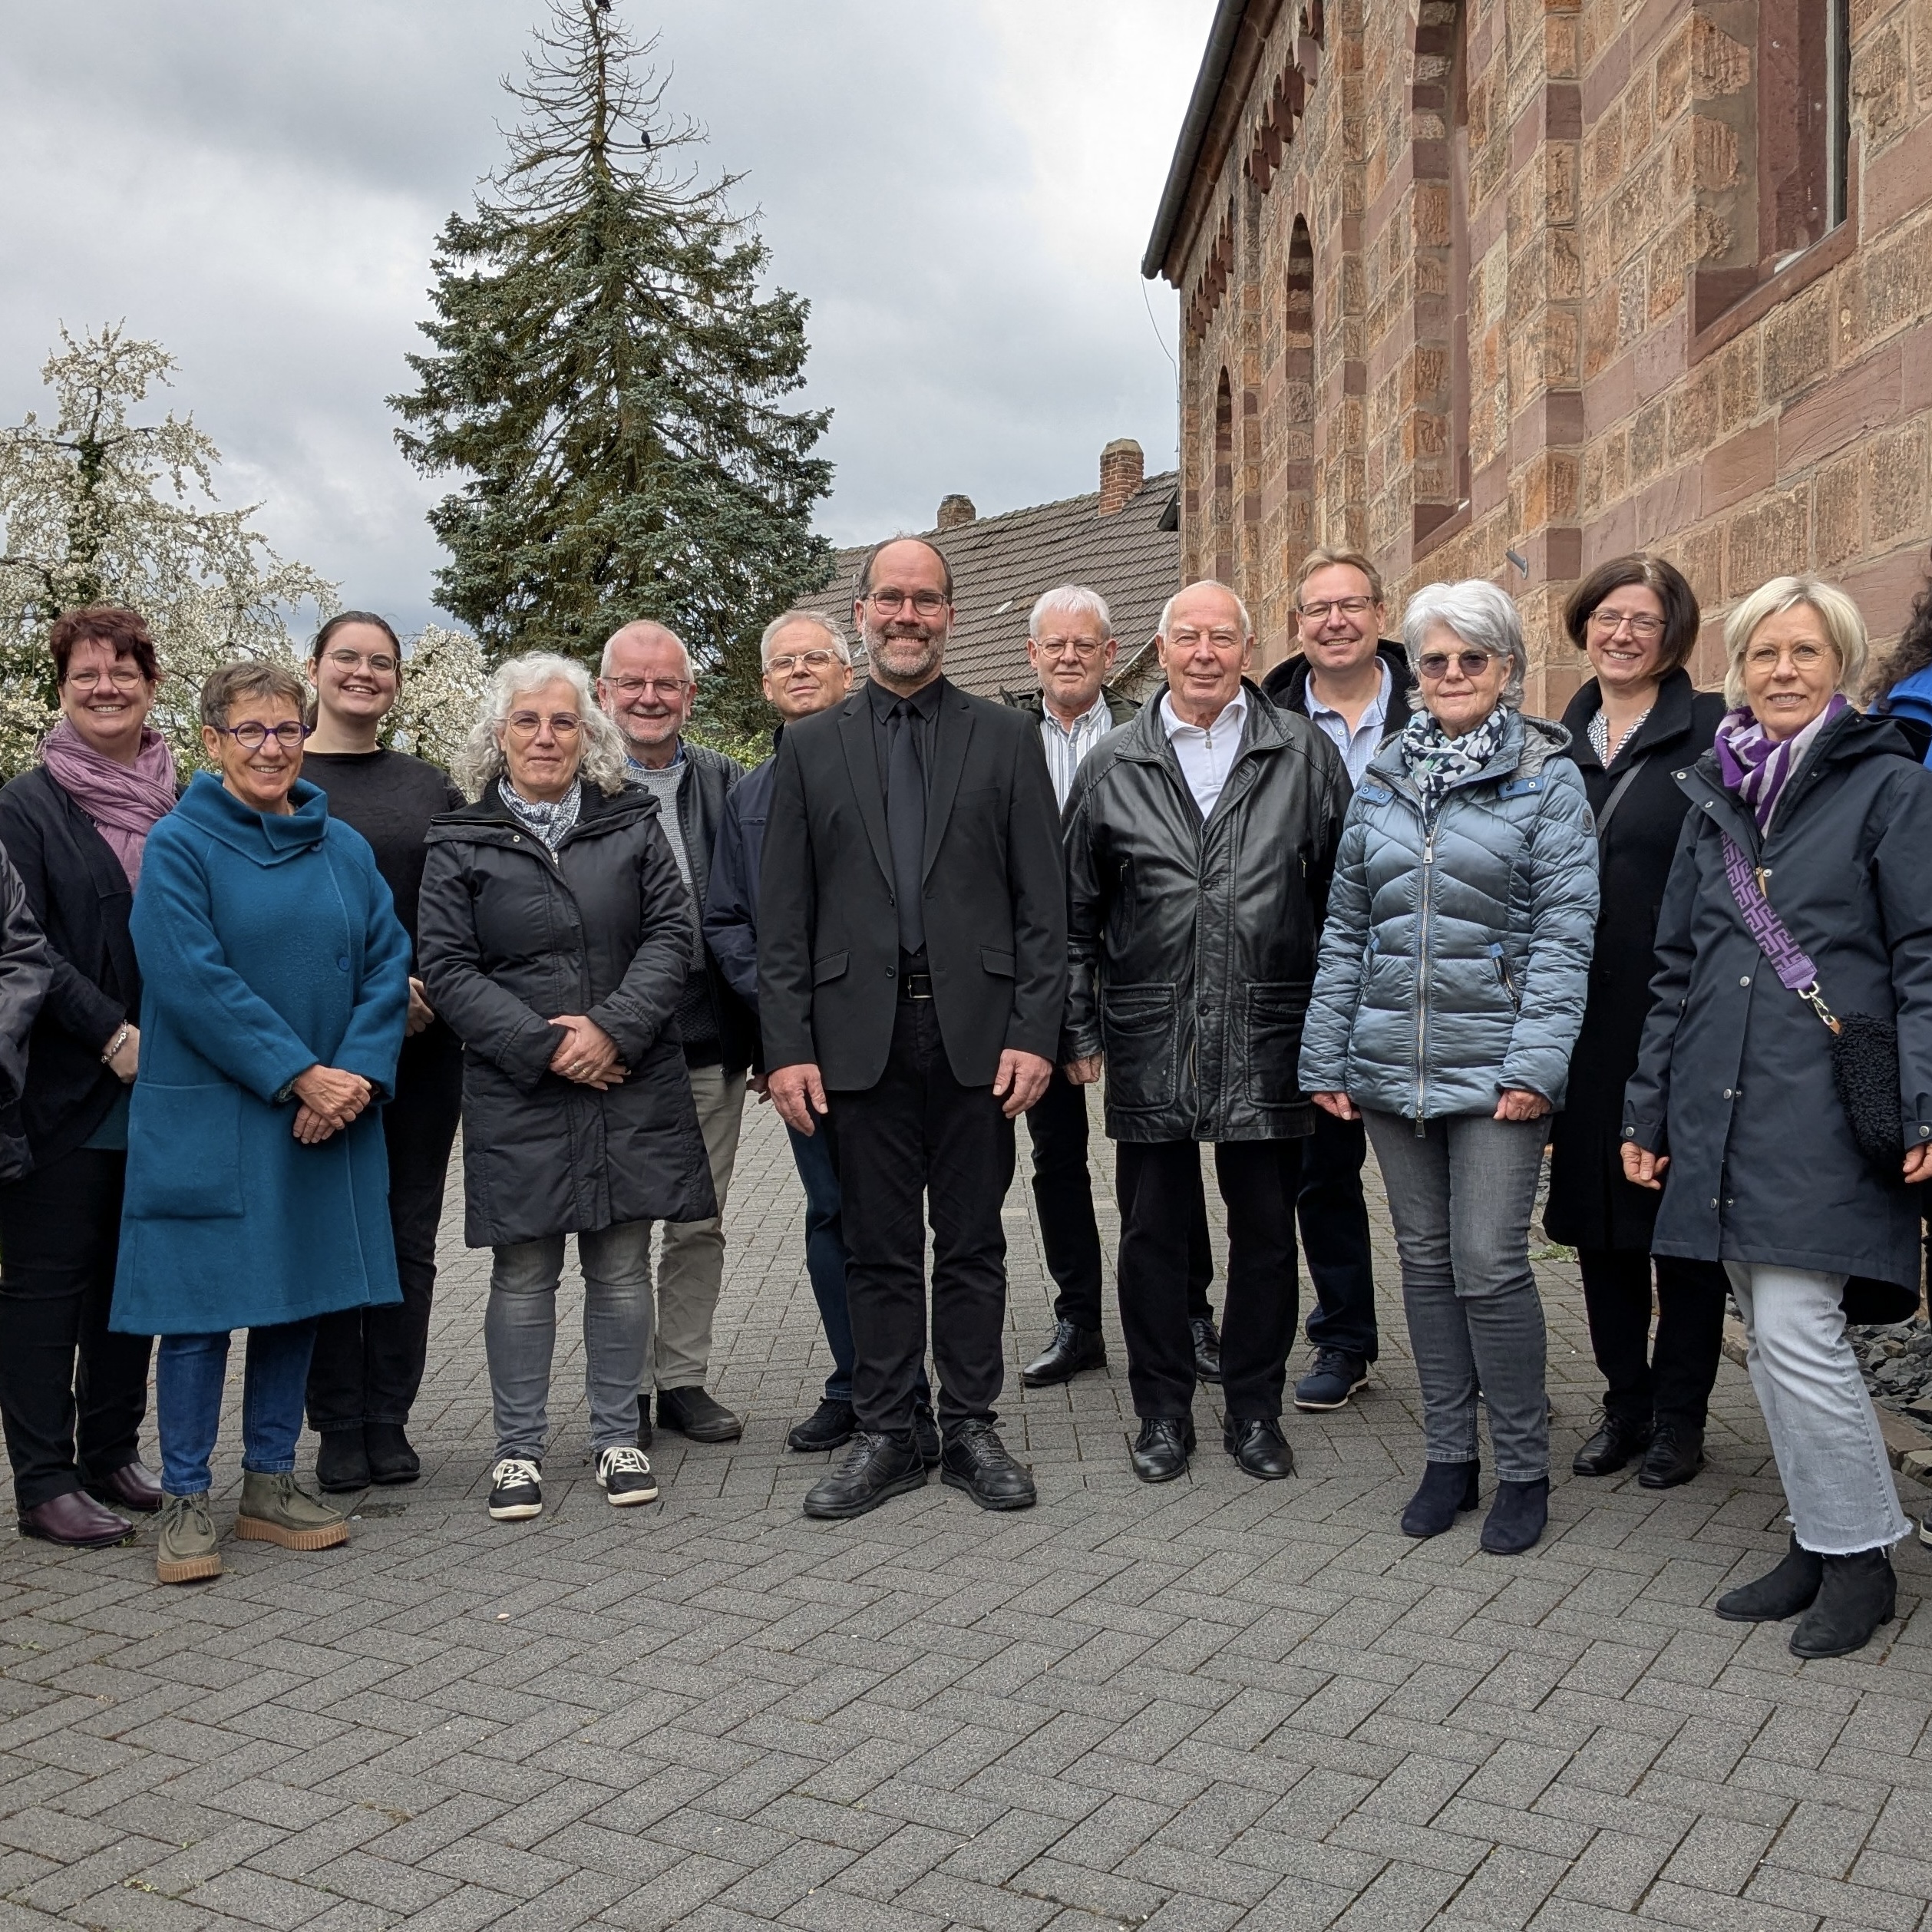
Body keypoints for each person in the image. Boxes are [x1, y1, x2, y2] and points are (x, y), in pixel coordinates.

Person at [1623, 575, 1932, 1659]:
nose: (1784, 671)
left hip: (1824, 1104)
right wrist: (1647, 1107)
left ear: (1838, 664)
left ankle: (1861, 1560)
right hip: (1716, 1099)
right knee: (1766, 1328)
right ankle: (1817, 1533)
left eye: (1805, 651)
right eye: (1764, 653)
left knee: (1801, 1332)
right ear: (1737, 669)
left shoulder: (1888, 789)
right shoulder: (1713, 790)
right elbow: (1676, 969)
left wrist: (1925, 1096)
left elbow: (1921, 954)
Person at [761, 536, 1067, 1520]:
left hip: (979, 1039)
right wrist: (789, 1048)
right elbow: (784, 918)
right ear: (863, 612)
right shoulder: (808, 747)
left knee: (973, 1243)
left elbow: (1043, 906)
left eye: (925, 601)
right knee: (876, 1245)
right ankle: (890, 1431)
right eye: (889, 599)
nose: (906, 616)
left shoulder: (1005, 737)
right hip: (856, 1041)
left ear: (950, 615)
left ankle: (970, 1427)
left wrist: (1035, 1031)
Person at [1301, 580, 1597, 1555]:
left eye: (1474, 658)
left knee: (1489, 1265)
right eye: (1436, 660)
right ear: (1414, 672)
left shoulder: (1547, 777)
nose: (1454, 675)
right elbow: (1347, 928)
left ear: (1507, 669)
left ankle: (1520, 1469)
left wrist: (1537, 1065)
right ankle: (1447, 1457)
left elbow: (1565, 933)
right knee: (1424, 1267)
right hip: (1390, 1064)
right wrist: (1327, 1052)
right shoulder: (1384, 774)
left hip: (1499, 1070)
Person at [112, 662, 412, 1586]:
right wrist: (298, 1077)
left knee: (300, 1296)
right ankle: (189, 1498)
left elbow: (385, 962)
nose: (272, 748)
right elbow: (192, 980)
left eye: (286, 730)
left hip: (325, 1113)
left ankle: (271, 1481)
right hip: (221, 1117)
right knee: (200, 1313)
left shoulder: (343, 849)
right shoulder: (179, 846)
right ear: (211, 742)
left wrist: (353, 1075)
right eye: (251, 731)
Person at [1064, 580, 1347, 1484]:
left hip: (1270, 1031)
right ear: (1160, 648)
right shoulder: (1114, 763)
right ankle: (1161, 1414)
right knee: (1153, 1233)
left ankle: (1256, 1412)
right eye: (1186, 636)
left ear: (1248, 647)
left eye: (1222, 636)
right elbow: (1075, 918)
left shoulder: (1301, 754)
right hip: (1152, 1034)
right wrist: (1079, 1031)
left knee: (1266, 1234)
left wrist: (1332, 1031)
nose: (1203, 653)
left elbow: (1345, 906)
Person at [419, 654, 712, 1524]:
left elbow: (672, 934)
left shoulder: (629, 822)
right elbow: (445, 965)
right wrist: (544, 1047)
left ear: (591, 735)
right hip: (522, 1086)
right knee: (524, 1270)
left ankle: (618, 1435)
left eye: (563, 722)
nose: (546, 736)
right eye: (527, 722)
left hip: (627, 1074)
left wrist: (611, 1028)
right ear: (498, 735)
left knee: (623, 1266)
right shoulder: (459, 838)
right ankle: (517, 1451)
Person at [705, 611, 939, 1458]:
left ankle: (929, 1389)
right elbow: (730, 923)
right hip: (815, 1054)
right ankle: (862, 1382)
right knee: (837, 1213)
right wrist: (788, 1025)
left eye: (818, 658)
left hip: (915, 1037)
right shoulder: (750, 797)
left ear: (851, 673)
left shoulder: (901, 771)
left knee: (926, 1216)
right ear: (766, 686)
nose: (802, 672)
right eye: (784, 664)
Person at [1004, 586, 1219, 1392]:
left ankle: (1188, 1312)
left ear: (1109, 652)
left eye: (1083, 644)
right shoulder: (1005, 741)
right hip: (1036, 981)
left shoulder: (1150, 737)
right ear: (1032, 657)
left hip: (1139, 978)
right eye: (1053, 644)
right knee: (1056, 1155)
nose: (1067, 656)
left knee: (1162, 1149)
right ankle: (1079, 1319)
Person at [1546, 557, 1730, 1490]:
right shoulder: (1554, 737)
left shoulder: (1714, 733)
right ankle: (1625, 1403)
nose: (1621, 634)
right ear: (1584, 624)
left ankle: (1681, 1416)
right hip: (1577, 1023)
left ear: (1674, 634)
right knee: (1596, 1222)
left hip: (1682, 1017)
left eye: (1644, 621)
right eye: (1607, 617)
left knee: (1679, 1227)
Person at [0, 606, 167, 1548]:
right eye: (86, 674)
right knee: (45, 1287)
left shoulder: (180, 796)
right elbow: (25, 947)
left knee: (126, 1283)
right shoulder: (24, 805)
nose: (106, 687)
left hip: (162, 1087)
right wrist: (108, 1033)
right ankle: (43, 1481)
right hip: (60, 1088)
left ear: (150, 681)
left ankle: (110, 1450)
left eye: (123, 671)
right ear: (61, 688)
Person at [299, 613, 466, 1493]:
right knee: (331, 1233)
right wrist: (365, 998)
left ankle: (388, 1417)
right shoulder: (280, 780)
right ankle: (335, 1422)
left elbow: (456, 903)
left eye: (381, 663)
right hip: (320, 1051)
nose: (364, 674)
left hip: (423, 1041)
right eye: (347, 659)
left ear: (397, 680)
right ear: (316, 669)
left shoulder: (429, 787)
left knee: (407, 1233)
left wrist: (421, 985)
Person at [1260, 547, 1418, 1415]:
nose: (1334, 622)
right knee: (1322, 1175)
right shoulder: (1266, 718)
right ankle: (1345, 1340)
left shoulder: (1437, 702)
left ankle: (1473, 1353)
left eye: (1351, 605)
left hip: (1423, 981)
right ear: (1298, 625)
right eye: (1317, 609)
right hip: (1306, 981)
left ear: (1379, 613)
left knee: (1432, 1178)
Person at [598, 621, 753, 1447]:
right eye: (633, 684)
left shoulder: (730, 784)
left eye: (666, 685)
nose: (650, 698)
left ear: (690, 697)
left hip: (708, 1043)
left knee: (700, 1221)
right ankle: (622, 1392)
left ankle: (681, 1379)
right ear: (605, 695)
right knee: (622, 1226)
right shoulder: (579, 791)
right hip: (615, 1050)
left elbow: (762, 912)